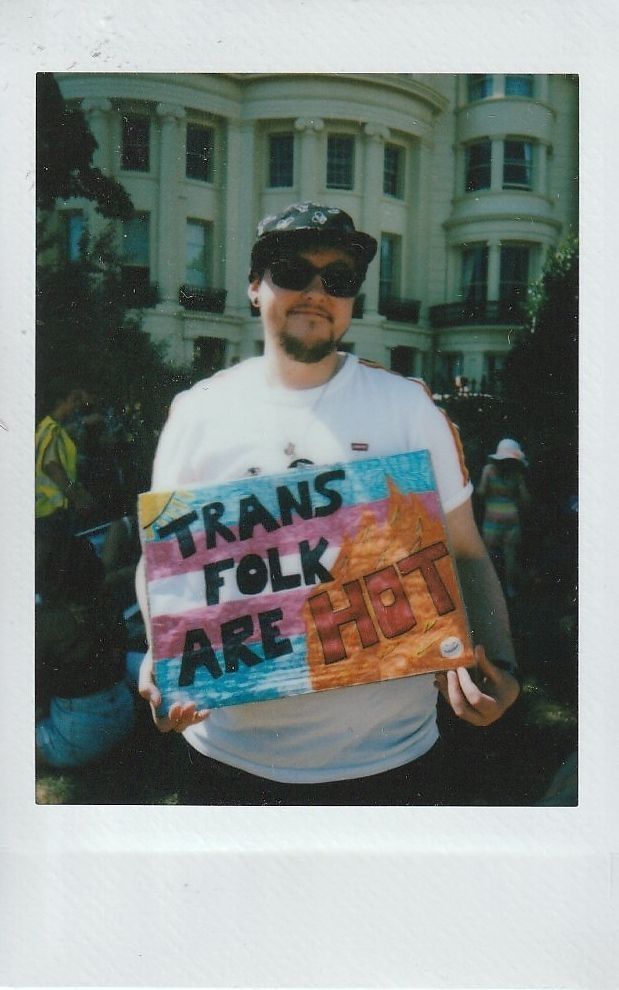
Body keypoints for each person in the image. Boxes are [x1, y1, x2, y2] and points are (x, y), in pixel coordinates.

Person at [137, 202, 521, 805]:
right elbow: (160, 565)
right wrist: (164, 659)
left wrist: (502, 662)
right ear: (256, 287)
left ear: (351, 301)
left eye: (338, 280)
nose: (316, 292)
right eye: (293, 272)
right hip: (228, 760)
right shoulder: (199, 411)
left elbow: (467, 554)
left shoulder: (409, 408)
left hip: (389, 759)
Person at [36, 535, 136, 769]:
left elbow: (36, 688)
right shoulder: (104, 600)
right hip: (124, 713)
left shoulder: (46, 622)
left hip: (77, 737)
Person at [35, 379, 96, 582]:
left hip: (48, 511)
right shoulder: (51, 431)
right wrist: (78, 496)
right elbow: (52, 467)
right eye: (73, 400)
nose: (77, 405)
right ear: (60, 401)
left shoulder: (50, 429)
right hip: (49, 511)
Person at [477, 438, 531, 598]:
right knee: (510, 554)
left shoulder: (488, 469)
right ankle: (510, 588)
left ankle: (490, 588)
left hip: (492, 516)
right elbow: (525, 499)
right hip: (511, 515)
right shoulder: (516, 473)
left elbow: (480, 491)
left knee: (490, 553)